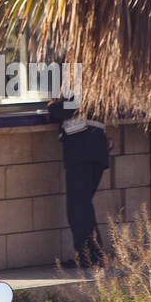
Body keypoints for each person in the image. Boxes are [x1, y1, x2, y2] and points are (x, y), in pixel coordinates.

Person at [47, 96, 110, 267]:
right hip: (94, 149)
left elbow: (62, 109)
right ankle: (93, 255)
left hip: (82, 151)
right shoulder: (95, 85)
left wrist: (53, 105)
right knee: (83, 206)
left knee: (78, 208)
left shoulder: (81, 85)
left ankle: (89, 257)